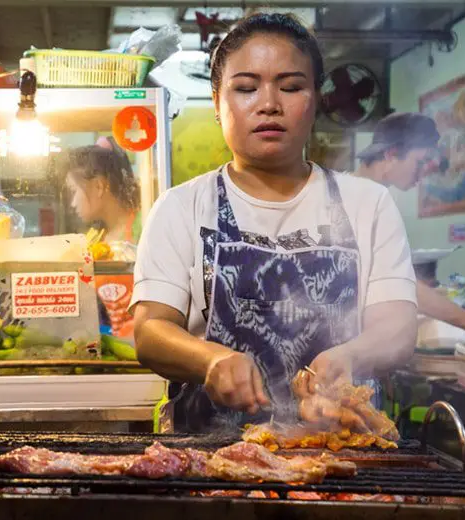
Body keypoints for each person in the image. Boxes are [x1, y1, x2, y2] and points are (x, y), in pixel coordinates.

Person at [130, 13, 418, 433]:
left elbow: (397, 326)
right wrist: (212, 359)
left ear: (316, 100)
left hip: (340, 451)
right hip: (208, 457)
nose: (269, 104)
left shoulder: (368, 203)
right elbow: (151, 329)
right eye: (246, 88)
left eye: (291, 87)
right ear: (216, 102)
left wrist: (352, 356)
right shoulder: (181, 207)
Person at [355, 112, 465, 354]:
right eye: (420, 161)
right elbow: (403, 284)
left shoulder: (372, 197)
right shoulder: (359, 200)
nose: (425, 172)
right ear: (391, 154)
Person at [61, 136, 142, 243]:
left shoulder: (144, 227)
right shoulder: (94, 238)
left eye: (74, 190)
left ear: (99, 186)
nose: (73, 203)